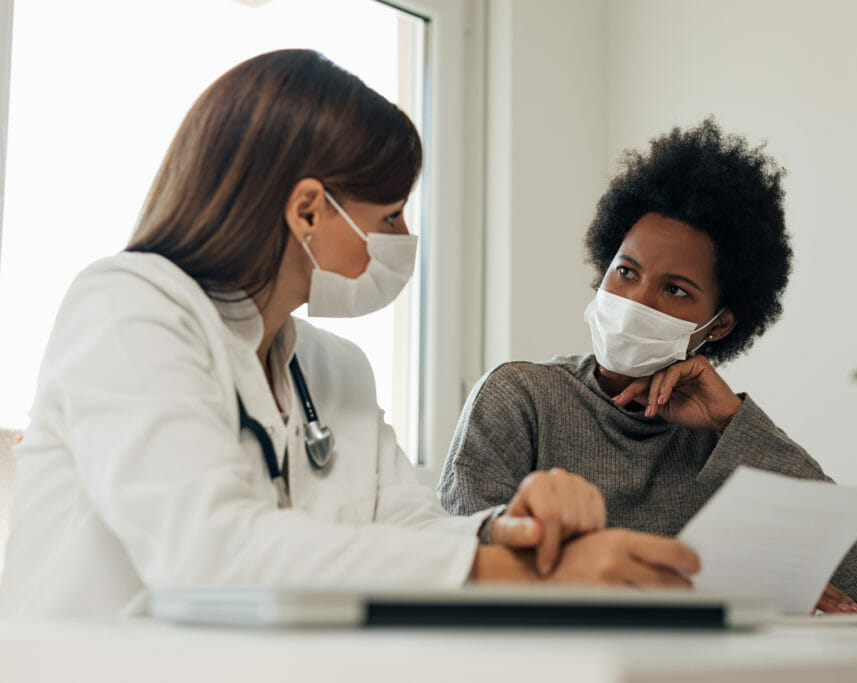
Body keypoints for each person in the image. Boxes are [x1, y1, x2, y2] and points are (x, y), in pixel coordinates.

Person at [0, 50, 700, 618]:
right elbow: (209, 551)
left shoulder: (335, 369)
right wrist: (525, 576)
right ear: (309, 209)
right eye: (391, 215)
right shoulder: (126, 308)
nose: (403, 240)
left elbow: (409, 526)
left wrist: (507, 530)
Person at [438, 119, 857, 612]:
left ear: (718, 325)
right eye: (626, 272)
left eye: (675, 290)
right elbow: (456, 565)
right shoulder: (520, 397)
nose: (637, 299)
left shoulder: (724, 438)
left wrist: (734, 425)